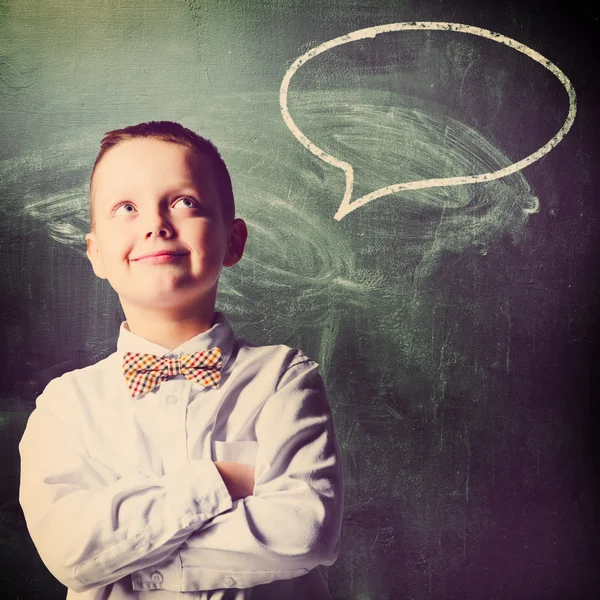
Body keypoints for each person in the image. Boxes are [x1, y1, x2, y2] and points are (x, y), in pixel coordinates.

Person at [19, 121, 344, 599]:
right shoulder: (64, 406)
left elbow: (306, 532)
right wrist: (218, 482)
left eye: (184, 202)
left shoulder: (284, 380)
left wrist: (122, 559)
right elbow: (69, 552)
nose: (156, 224)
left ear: (233, 241)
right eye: (126, 208)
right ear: (97, 255)